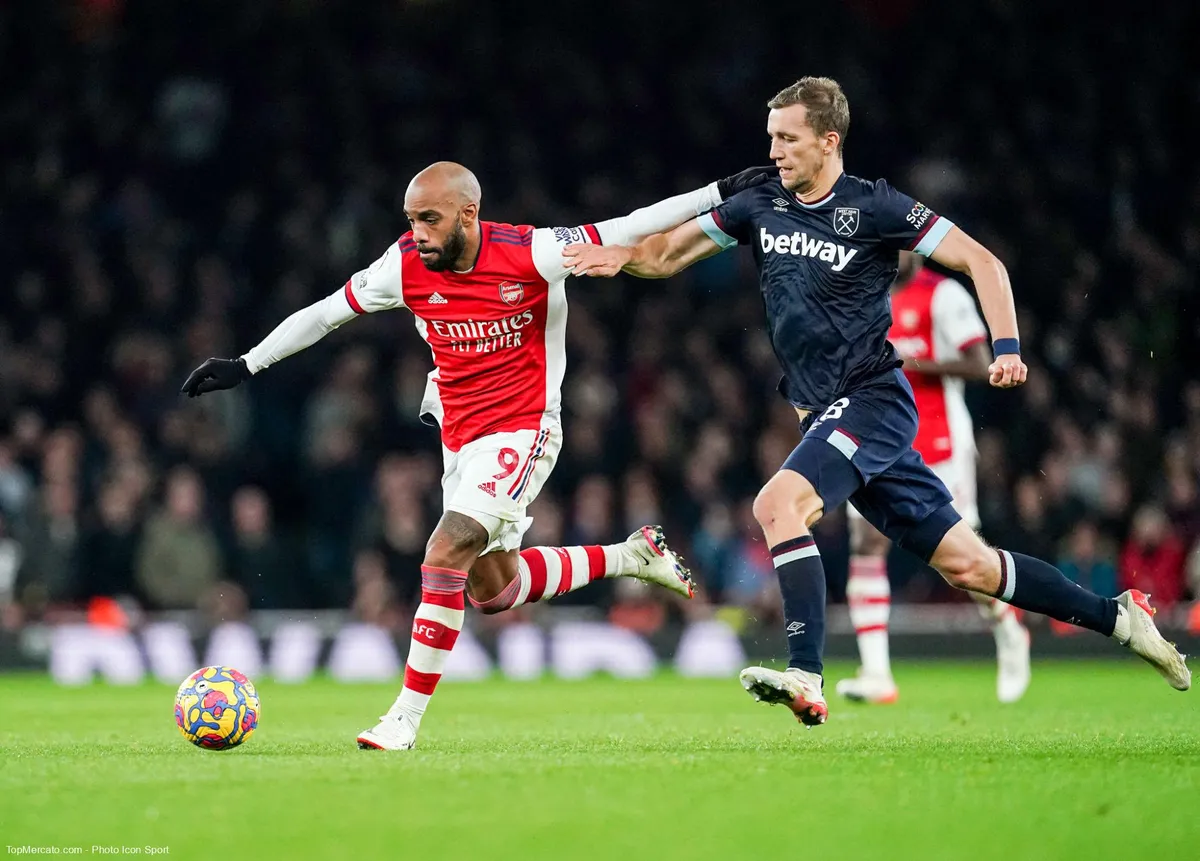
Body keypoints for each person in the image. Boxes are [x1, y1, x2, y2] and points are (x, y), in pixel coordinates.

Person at [564, 77, 1189, 727]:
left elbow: (983, 262)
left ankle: (806, 671)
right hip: (829, 412)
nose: (774, 150)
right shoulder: (761, 201)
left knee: (777, 505)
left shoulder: (876, 208)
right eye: (770, 137)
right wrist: (621, 257)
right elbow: (667, 254)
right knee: (969, 563)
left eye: (788, 138)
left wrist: (1006, 345)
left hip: (870, 400)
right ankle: (1120, 616)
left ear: (829, 141)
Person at [180, 161, 773, 749]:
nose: (418, 233)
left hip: (524, 429)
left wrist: (718, 191)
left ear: (469, 214)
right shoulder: (405, 267)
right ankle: (631, 556)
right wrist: (246, 364)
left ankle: (403, 719)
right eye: (412, 220)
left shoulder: (531, 253)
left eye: (430, 220)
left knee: (445, 549)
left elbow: (625, 227)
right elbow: (326, 312)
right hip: (459, 438)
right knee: (494, 591)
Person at [838, 251, 1031, 705]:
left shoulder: (942, 295)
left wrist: (909, 364)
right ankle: (877, 673)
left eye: (899, 244)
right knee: (865, 544)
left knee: (963, 563)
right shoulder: (865, 296)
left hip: (940, 445)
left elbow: (980, 361)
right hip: (877, 444)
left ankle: (1007, 628)